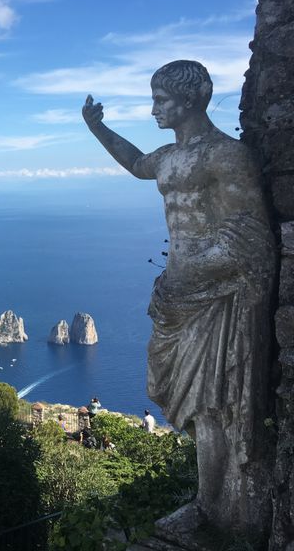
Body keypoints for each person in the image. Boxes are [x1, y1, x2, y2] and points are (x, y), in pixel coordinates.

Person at [83, 60, 275, 536]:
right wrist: (97, 128)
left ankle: (222, 514)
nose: (153, 110)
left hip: (215, 296)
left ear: (192, 99)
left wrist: (191, 271)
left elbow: (251, 238)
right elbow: (134, 164)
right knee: (185, 396)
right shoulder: (169, 158)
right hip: (178, 296)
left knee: (214, 402)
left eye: (161, 100)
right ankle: (212, 505)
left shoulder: (226, 157)